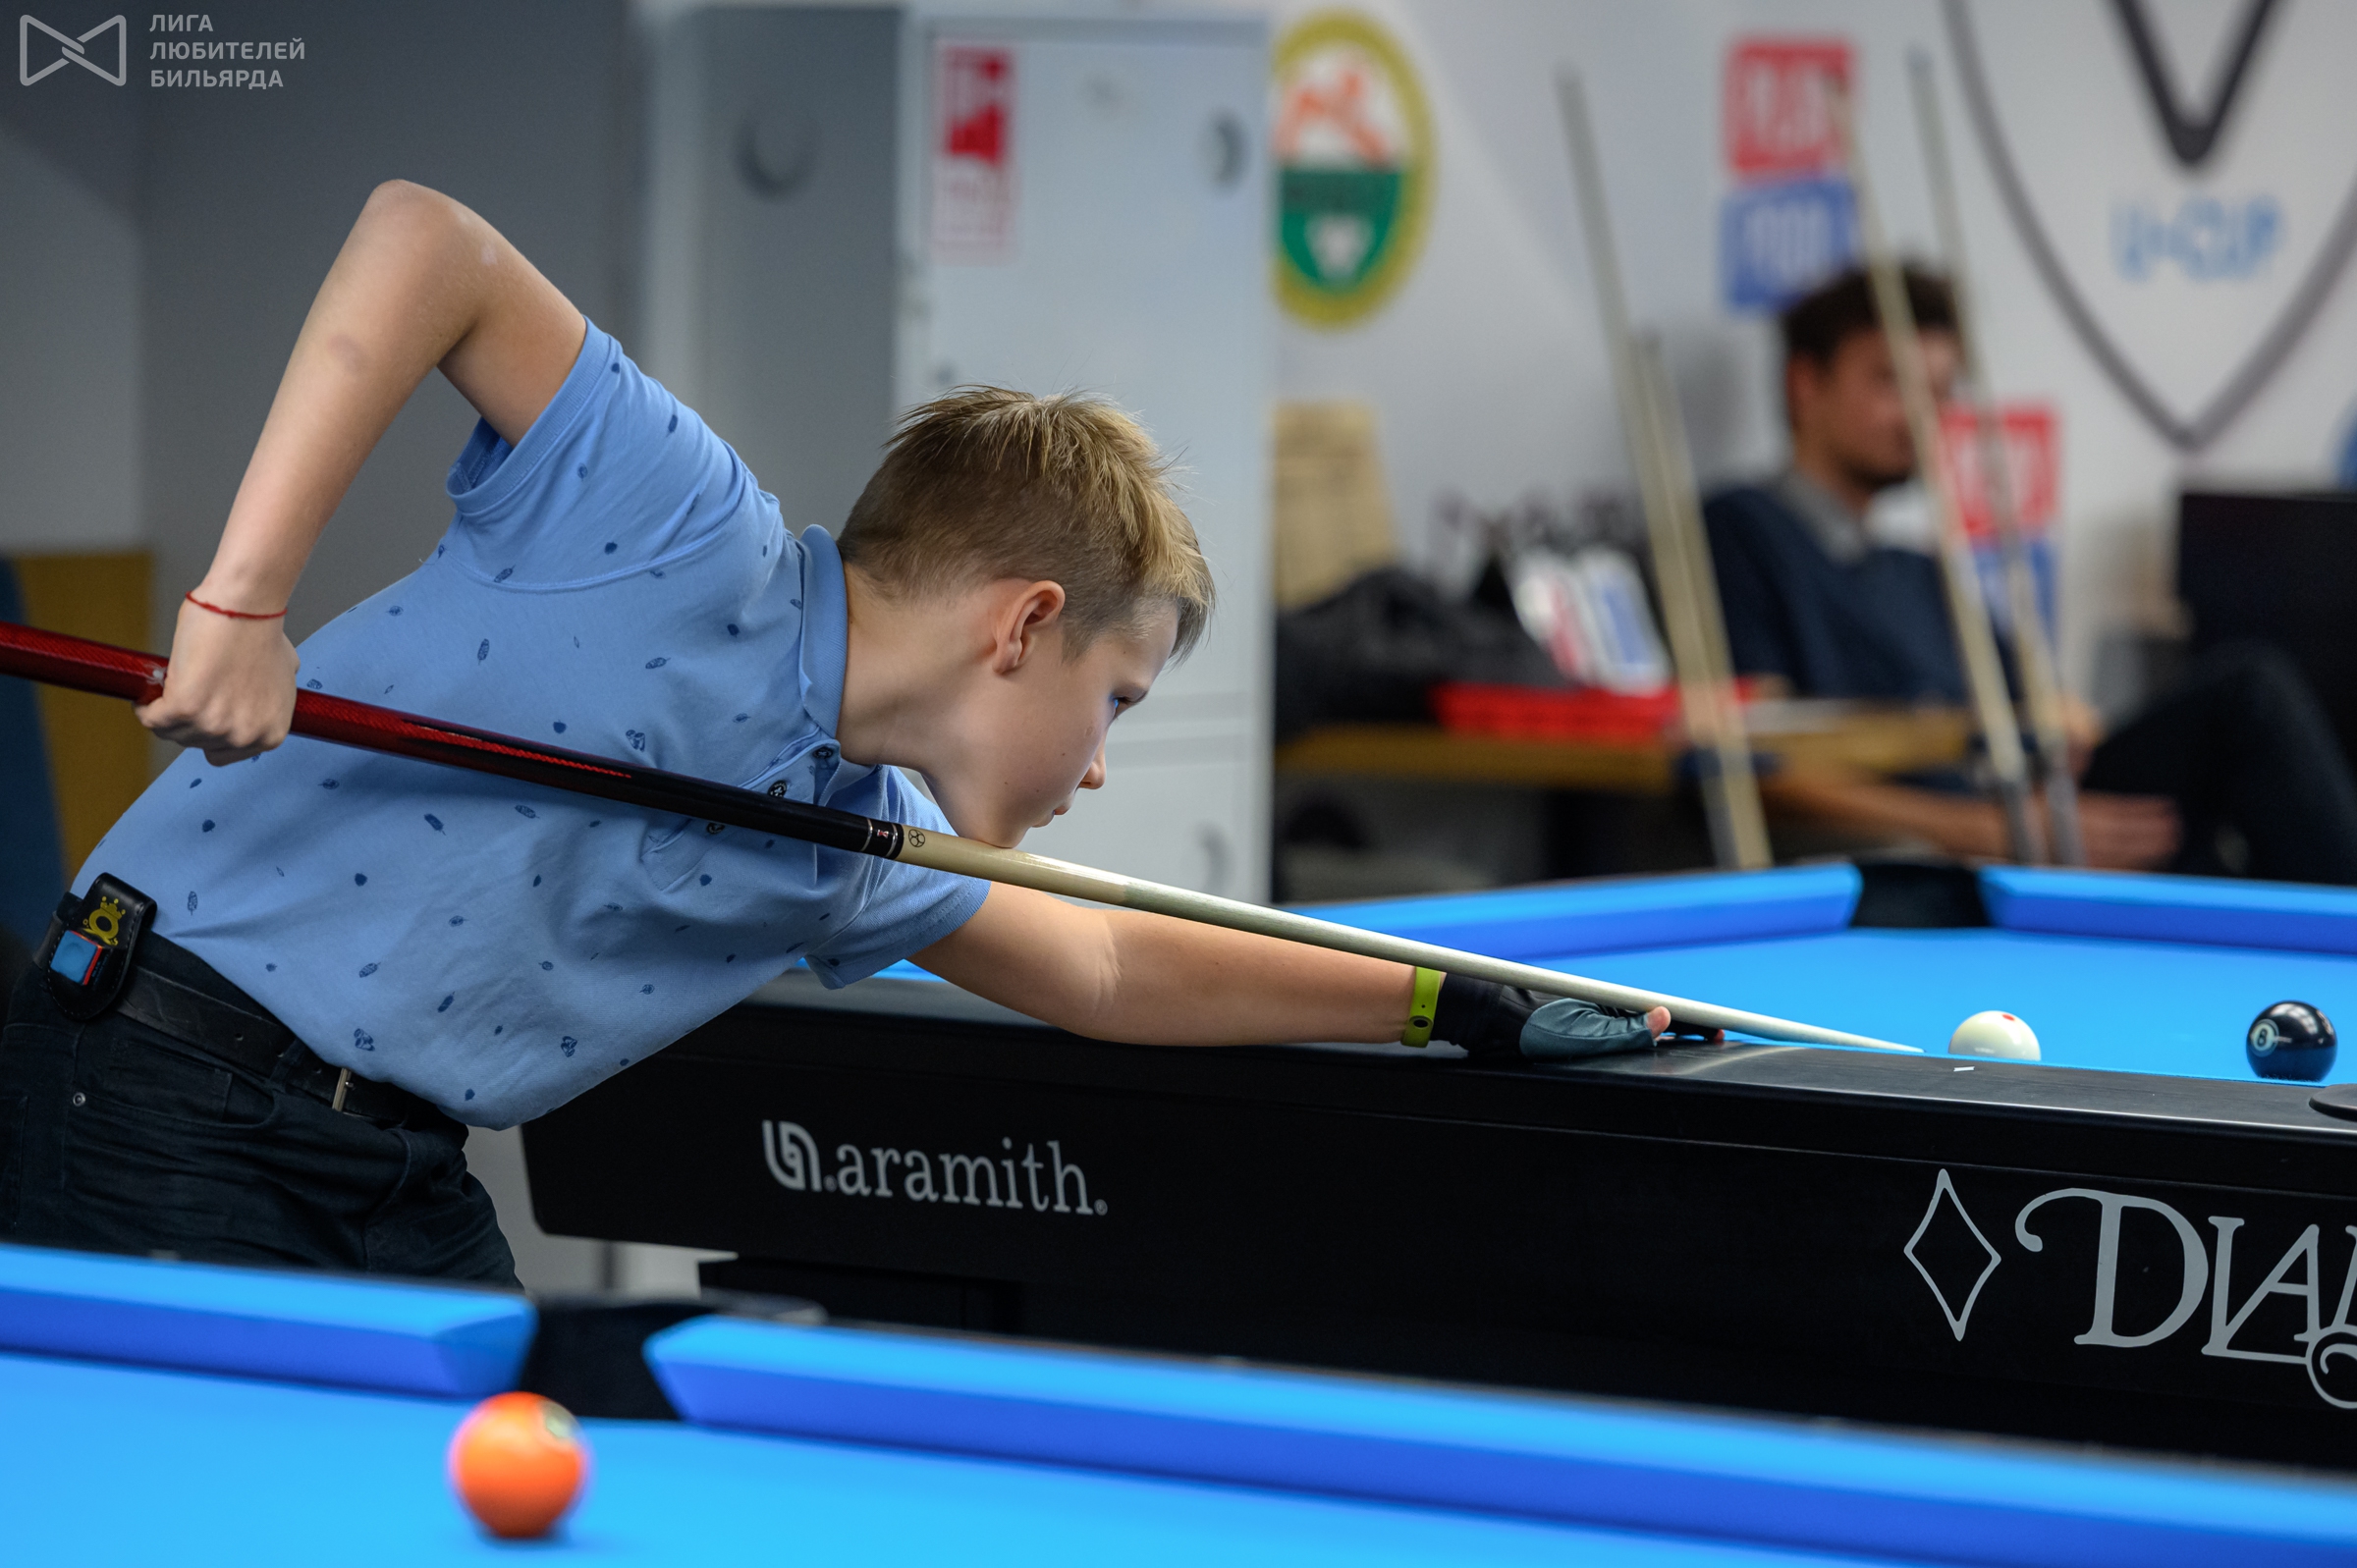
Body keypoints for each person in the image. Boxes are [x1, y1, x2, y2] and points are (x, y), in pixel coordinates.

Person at [0, 183, 1666, 1284]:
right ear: (1023, 625)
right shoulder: (675, 517)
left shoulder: (852, 839)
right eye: (1116, 701)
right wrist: (241, 601)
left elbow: (1105, 964)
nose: (1099, 764)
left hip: (396, 1164)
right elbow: (424, 239)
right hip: (158, 1072)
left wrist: (1438, 998)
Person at [1705, 265, 2357, 883]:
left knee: (2221, 800)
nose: (1919, 415)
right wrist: (1984, 830)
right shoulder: (1739, 532)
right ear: (1805, 384)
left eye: (1938, 391)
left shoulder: (1917, 570)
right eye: (1890, 383)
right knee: (2250, 697)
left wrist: (2062, 733)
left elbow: (2045, 714)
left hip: (2024, 813)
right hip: (1932, 848)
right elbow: (1754, 767)